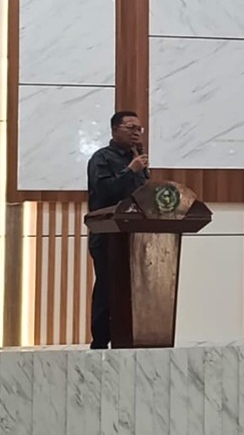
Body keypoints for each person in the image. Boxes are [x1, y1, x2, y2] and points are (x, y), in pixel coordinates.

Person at [85, 111, 150, 349]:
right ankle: (100, 343)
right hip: (107, 235)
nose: (136, 133)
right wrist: (130, 171)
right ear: (114, 130)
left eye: (139, 129)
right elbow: (103, 192)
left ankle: (128, 338)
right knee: (108, 286)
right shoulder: (101, 158)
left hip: (133, 234)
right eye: (130, 127)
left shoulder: (137, 158)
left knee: (132, 289)